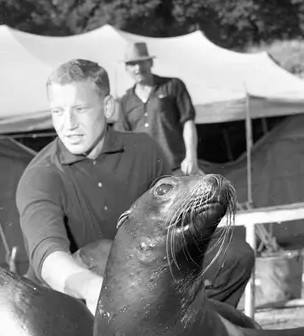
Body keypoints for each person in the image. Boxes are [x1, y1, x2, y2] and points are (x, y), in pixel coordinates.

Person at [16, 59, 254, 314]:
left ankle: (195, 330)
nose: (68, 124)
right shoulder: (41, 175)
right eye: (57, 112)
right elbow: (49, 259)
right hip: (66, 304)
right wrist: (90, 288)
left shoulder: (145, 149)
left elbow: (173, 228)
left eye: (80, 109)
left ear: (108, 107)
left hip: (138, 274)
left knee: (233, 255)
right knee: (102, 253)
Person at [113, 42, 199, 175]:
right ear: (126, 68)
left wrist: (191, 156)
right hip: (144, 171)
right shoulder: (125, 101)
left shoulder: (173, 85)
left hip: (177, 167)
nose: (138, 68)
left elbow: (188, 121)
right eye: (132, 64)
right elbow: (122, 139)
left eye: (142, 62)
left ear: (151, 63)